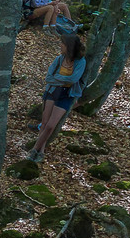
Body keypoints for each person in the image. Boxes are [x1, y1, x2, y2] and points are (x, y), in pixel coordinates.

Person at [27, 33, 86, 161]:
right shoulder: (59, 59)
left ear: (69, 46)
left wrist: (58, 78)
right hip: (52, 91)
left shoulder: (80, 61)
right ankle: (40, 152)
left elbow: (74, 78)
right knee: (44, 123)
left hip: (67, 95)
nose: (61, 46)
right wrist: (64, 81)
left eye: (63, 44)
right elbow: (48, 78)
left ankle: (34, 149)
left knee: (50, 126)